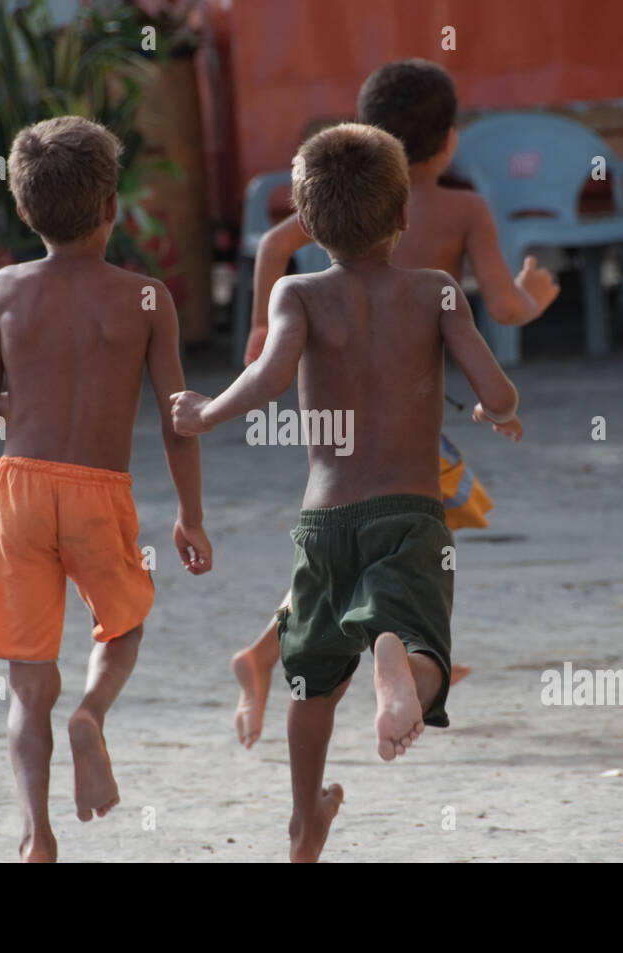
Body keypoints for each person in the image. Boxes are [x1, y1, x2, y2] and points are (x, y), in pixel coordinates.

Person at [171, 123, 521, 861]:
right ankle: (399, 664)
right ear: (403, 218)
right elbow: (497, 388)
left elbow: (264, 380)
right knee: (425, 641)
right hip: (412, 514)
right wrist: (495, 409)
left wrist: (203, 414)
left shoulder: (297, 292)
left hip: (324, 520)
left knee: (311, 683)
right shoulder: (436, 291)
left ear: (310, 226)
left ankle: (304, 819)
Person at [230, 59, 557, 749]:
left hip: (342, 414)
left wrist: (264, 325)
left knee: (365, 539)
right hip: (409, 419)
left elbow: (277, 242)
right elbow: (502, 305)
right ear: (449, 140)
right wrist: (538, 295)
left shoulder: (345, 205)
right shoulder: (465, 207)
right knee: (403, 534)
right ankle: (361, 652)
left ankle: (382, 645)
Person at [0, 116, 212, 863]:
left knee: (26, 676)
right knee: (123, 623)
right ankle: (92, 714)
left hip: (20, 491)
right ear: (111, 208)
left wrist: (13, 408)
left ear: (25, 210)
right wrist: (189, 515)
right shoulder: (145, 298)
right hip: (99, 491)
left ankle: (37, 833)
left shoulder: (5, 288)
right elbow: (177, 421)